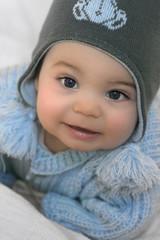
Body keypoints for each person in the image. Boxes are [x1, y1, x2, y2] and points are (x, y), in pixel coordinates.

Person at [0, 0, 160, 239]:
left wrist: (43, 203)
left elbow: (121, 222)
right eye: (68, 81)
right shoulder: (9, 96)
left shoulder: (138, 163)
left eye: (116, 94)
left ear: (141, 108)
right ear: (36, 76)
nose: (87, 108)